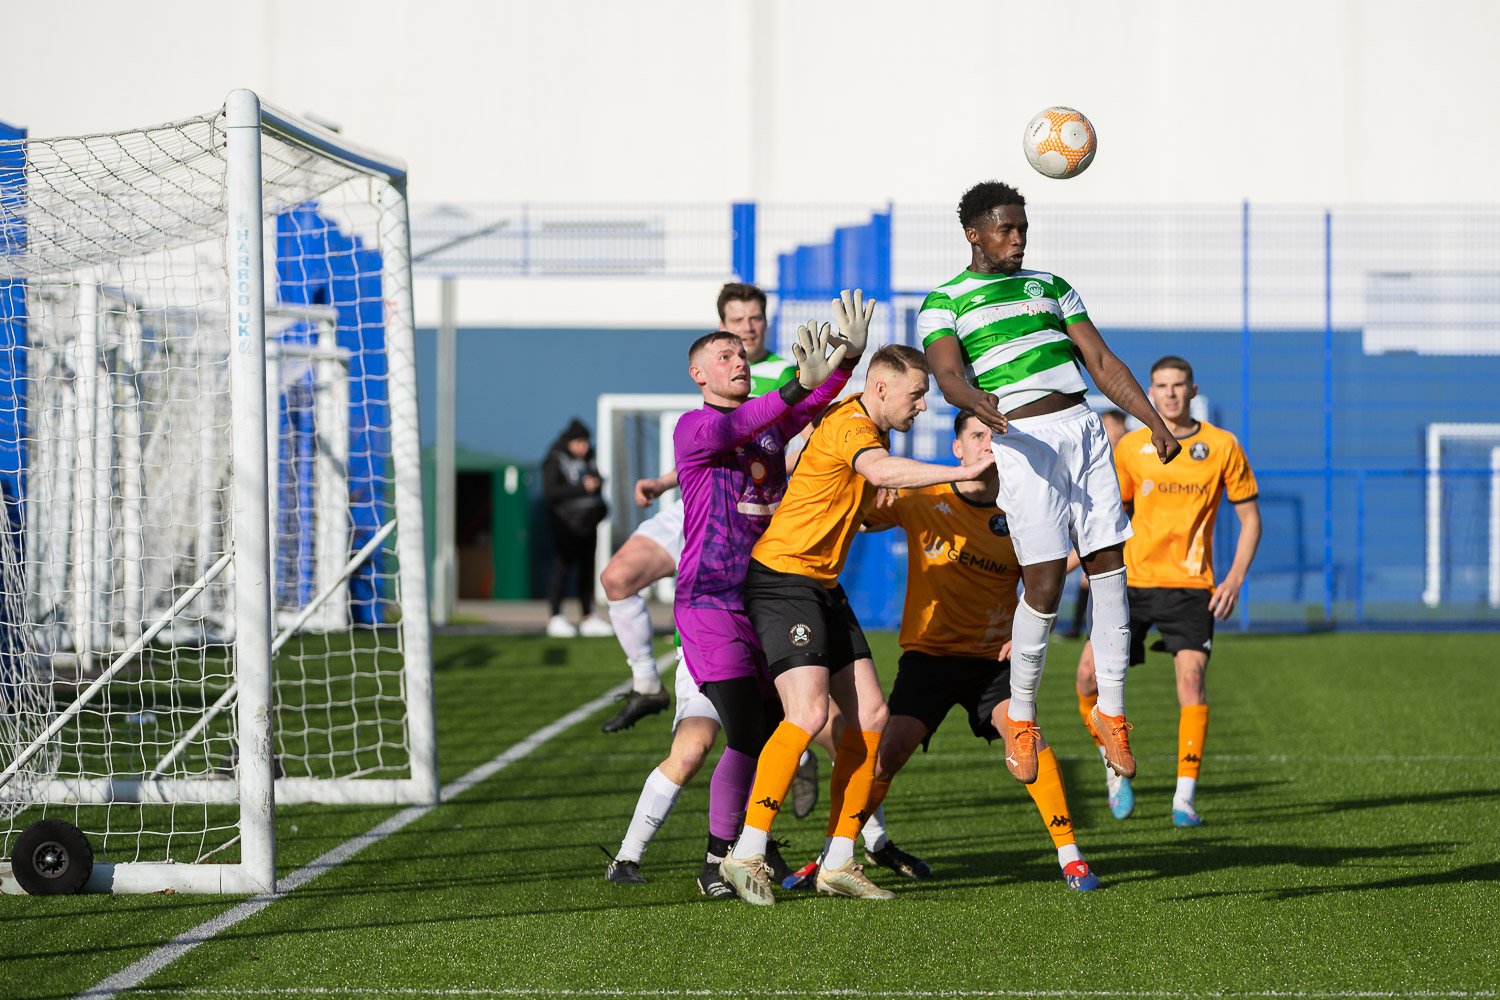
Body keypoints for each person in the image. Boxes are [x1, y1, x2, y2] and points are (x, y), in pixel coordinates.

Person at [920, 180, 1180, 789]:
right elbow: (948, 374)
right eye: (1006, 229)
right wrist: (973, 403)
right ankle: (1025, 719)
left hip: (1084, 429)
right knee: (1041, 580)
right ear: (974, 233)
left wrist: (1151, 419)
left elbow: (1104, 361)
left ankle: (1111, 714)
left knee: (1109, 565)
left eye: (1023, 228)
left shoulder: (1053, 286)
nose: (1018, 238)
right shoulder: (946, 299)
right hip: (1020, 438)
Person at [722, 338, 995, 906]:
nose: (922, 406)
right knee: (809, 711)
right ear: (880, 388)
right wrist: (958, 472)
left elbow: (865, 503)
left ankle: (840, 858)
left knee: (871, 713)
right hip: (782, 580)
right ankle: (745, 851)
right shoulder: (854, 423)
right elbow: (879, 470)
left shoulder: (869, 429)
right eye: (917, 395)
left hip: (819, 583)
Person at [854, 409, 1101, 891]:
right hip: (929, 657)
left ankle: (1071, 857)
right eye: (976, 435)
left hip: (993, 661)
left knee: (1026, 741)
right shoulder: (923, 495)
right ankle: (837, 852)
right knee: (889, 753)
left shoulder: (1023, 509)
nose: (987, 443)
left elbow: (1054, 568)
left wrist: (1025, 625)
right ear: (958, 449)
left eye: (994, 436)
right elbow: (861, 518)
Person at [669, 302, 864, 902]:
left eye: (743, 355)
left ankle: (758, 843)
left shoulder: (769, 426)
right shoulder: (695, 427)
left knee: (778, 726)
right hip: (709, 604)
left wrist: (847, 359)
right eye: (724, 356)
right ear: (698, 374)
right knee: (749, 730)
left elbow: (806, 404)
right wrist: (796, 385)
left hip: (765, 596)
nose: (739, 362)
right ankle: (716, 857)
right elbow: (747, 420)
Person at [597, 282, 797, 733]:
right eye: (737, 322)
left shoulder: (789, 372)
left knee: (766, 662)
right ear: (722, 327)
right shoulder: (718, 363)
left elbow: (796, 438)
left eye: (755, 319)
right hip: (702, 505)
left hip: (755, 512)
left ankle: (795, 744)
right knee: (617, 578)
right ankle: (647, 684)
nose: (747, 329)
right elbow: (709, 443)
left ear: (766, 321)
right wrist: (665, 481)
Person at [1076, 356, 1261, 826]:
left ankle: (1183, 799)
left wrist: (1235, 578)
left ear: (1193, 390)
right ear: (1150, 393)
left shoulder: (1223, 446)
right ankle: (1114, 772)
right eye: (1161, 386)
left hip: (1191, 587)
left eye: (1179, 386)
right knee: (1087, 680)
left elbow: (1250, 518)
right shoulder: (1132, 447)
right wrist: (1084, 562)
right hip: (1129, 584)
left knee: (1191, 682)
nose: (1171, 394)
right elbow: (1110, 516)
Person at [540, 419, 611, 638]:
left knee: (587, 571)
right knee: (562, 569)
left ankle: (588, 616)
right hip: (566, 526)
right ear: (570, 442)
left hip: (588, 525)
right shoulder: (554, 460)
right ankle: (555, 617)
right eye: (580, 442)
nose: (585, 447)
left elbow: (595, 486)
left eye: (586, 442)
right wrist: (581, 487)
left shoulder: (589, 460)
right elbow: (551, 492)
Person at [1061, 409, 1128, 638]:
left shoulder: (1130, 457)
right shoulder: (1099, 459)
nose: (1102, 431)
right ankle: (1083, 630)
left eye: (1107, 426)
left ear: (1121, 427)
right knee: (1087, 576)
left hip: (1124, 532)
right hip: (1101, 529)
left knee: (1090, 574)